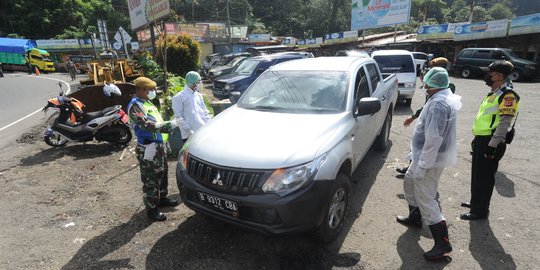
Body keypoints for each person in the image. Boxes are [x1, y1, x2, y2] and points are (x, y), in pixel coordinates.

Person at [396, 67, 462, 260]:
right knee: (409, 182)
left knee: (427, 198)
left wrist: (423, 166)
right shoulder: (439, 98)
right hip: (423, 157)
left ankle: (443, 244)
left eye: (426, 81)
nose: (423, 83)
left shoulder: (438, 104)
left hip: (429, 161)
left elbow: (433, 138)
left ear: (432, 83)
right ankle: (415, 217)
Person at [460, 60, 520, 220]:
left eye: (490, 73)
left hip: (492, 142)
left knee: (485, 178)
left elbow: (504, 123)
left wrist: (492, 146)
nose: (487, 76)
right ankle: (475, 203)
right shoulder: (494, 93)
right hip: (482, 139)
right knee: (477, 175)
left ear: (499, 76)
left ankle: (480, 211)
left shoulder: (508, 96)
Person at [127, 77, 180, 222]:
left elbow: (157, 120)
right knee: (151, 179)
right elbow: (145, 125)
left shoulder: (146, 102)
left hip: (158, 146)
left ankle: (161, 199)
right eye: (151, 90)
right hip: (148, 148)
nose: (153, 92)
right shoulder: (135, 106)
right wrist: (169, 125)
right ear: (143, 90)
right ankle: (151, 209)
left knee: (162, 173)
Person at [396, 57, 455, 174]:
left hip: (434, 126)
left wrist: (423, 166)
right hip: (428, 120)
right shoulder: (434, 86)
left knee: (428, 147)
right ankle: (414, 167)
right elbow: (427, 105)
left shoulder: (444, 89)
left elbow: (434, 136)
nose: (430, 72)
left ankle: (421, 169)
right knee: (419, 145)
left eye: (433, 70)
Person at [172, 71, 211, 143]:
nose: (200, 84)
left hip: (202, 132)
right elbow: (179, 118)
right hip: (189, 135)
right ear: (193, 82)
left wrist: (209, 124)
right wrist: (190, 131)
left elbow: (205, 112)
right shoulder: (179, 97)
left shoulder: (198, 95)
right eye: (198, 82)